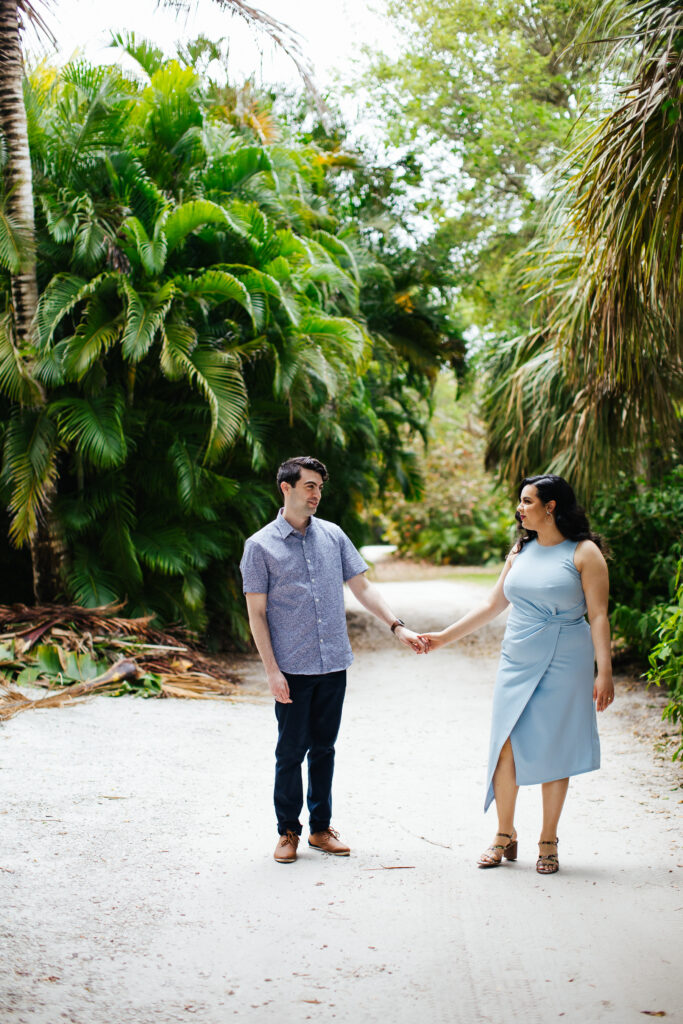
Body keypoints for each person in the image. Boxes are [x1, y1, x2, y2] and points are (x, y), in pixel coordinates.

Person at [420, 474, 614, 874]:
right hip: (517, 657)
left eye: (527, 501)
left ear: (551, 506)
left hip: (566, 658)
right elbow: (493, 605)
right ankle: (504, 834)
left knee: (555, 747)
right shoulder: (519, 552)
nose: (520, 508)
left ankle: (548, 839)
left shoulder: (584, 552)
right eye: (520, 501)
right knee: (505, 743)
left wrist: (604, 671)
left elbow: (597, 615)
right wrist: (442, 638)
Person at [240, 456, 427, 864]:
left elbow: (362, 587)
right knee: (291, 751)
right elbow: (256, 613)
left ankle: (320, 829)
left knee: (324, 748)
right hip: (292, 667)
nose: (316, 494)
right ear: (286, 488)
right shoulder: (259, 546)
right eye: (309, 486)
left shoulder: (334, 536)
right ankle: (287, 831)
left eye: (320, 488)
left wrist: (398, 627)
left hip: (333, 664)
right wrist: (272, 671)